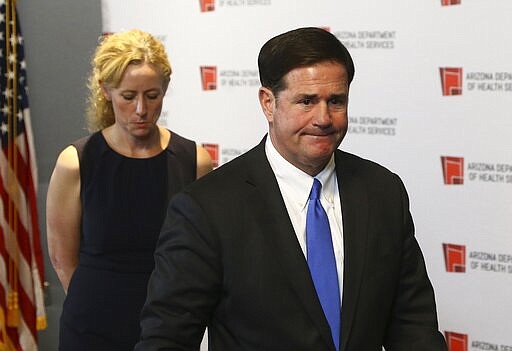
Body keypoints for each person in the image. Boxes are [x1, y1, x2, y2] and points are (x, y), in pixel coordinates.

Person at [135, 27, 447, 351]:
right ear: (268, 103)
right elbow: (166, 341)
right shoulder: (206, 209)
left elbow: (414, 329)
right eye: (307, 101)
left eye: (336, 101)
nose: (323, 118)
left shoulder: (383, 193)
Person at [46, 29, 212, 351]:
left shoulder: (194, 161)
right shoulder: (77, 162)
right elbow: (62, 259)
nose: (141, 110)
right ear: (105, 91)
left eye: (152, 96)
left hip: (170, 327)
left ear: (165, 90)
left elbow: (201, 256)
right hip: (91, 325)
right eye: (128, 96)